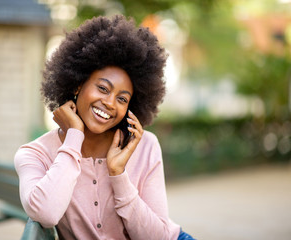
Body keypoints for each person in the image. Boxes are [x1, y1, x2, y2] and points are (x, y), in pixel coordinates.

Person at [14, 15, 195, 240]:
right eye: (102, 88)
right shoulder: (35, 154)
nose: (110, 103)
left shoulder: (145, 145)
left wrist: (118, 174)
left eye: (122, 99)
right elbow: (46, 214)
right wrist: (74, 137)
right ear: (78, 84)